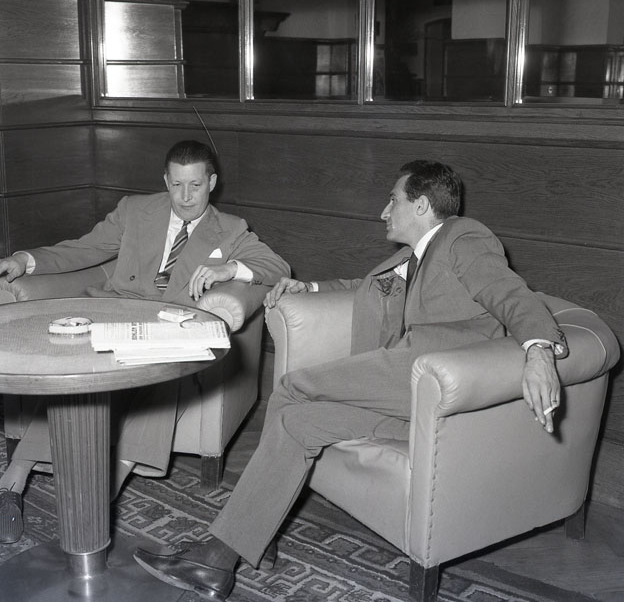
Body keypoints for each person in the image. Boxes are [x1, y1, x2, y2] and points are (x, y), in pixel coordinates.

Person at [134, 159, 567, 602]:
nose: (384, 211)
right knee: (296, 423)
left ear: (421, 205)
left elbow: (510, 293)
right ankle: (237, 546)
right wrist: (309, 289)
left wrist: (538, 351)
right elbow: (366, 284)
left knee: (292, 386)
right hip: (407, 405)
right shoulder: (415, 256)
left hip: (432, 383)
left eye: (393, 201)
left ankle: (234, 545)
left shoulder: (463, 237)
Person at [0, 139, 290, 544]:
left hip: (169, 328)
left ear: (211, 183)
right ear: (165, 181)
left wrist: (230, 270)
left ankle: (105, 492)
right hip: (116, 315)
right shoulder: (135, 211)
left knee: (165, 374)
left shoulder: (231, 229)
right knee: (79, 374)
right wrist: (24, 260)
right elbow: (85, 248)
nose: (185, 197)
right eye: (176, 185)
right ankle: (12, 482)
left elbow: (277, 266)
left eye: (195, 185)